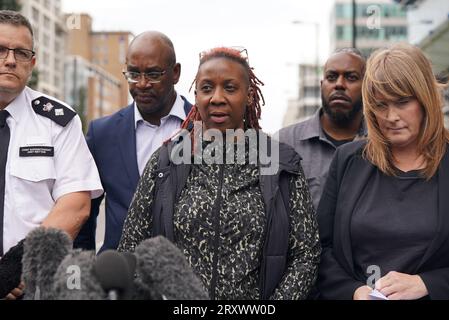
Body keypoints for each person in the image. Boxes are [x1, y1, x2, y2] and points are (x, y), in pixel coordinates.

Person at [118, 47, 320, 299]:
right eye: (206, 88)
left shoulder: (281, 164)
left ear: (248, 96)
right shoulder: (165, 162)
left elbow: (306, 254)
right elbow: (131, 248)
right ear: (196, 95)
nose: (216, 98)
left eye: (230, 88)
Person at [317, 43, 449, 300]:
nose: (391, 116)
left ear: (426, 99)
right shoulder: (348, 160)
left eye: (402, 102)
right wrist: (353, 291)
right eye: (380, 105)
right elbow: (321, 249)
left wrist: (429, 284)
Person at [0, 11, 102, 299]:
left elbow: (76, 204)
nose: (10, 60)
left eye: (20, 53)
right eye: (1, 50)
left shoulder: (58, 121)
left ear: (32, 63)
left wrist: (16, 267)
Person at [74, 31, 192, 252]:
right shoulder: (102, 134)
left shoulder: (206, 129)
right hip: (118, 278)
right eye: (133, 74)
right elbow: (83, 215)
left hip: (186, 278)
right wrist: (82, 275)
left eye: (153, 74)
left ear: (175, 73)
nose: (142, 84)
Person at [277, 48, 367, 209]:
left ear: (367, 87)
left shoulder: (382, 142)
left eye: (351, 77)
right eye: (331, 77)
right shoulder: (284, 143)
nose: (339, 84)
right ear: (321, 85)